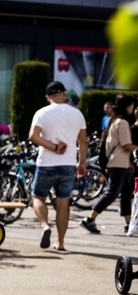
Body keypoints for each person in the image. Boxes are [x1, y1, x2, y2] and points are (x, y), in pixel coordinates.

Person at [28, 80, 88, 251]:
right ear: (63, 94)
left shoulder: (42, 113)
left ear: (47, 97)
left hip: (46, 163)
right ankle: (60, 242)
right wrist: (81, 162)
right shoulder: (77, 114)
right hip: (68, 164)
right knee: (63, 203)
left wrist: (53, 147)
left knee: (38, 197)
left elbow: (33, 136)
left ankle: (45, 226)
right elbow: (83, 142)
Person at [80, 95, 136, 234]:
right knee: (112, 193)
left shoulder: (115, 121)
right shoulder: (122, 123)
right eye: (132, 105)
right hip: (117, 163)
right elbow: (126, 145)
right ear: (127, 106)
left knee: (125, 193)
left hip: (119, 162)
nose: (133, 108)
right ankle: (89, 219)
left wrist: (128, 162)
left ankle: (129, 223)